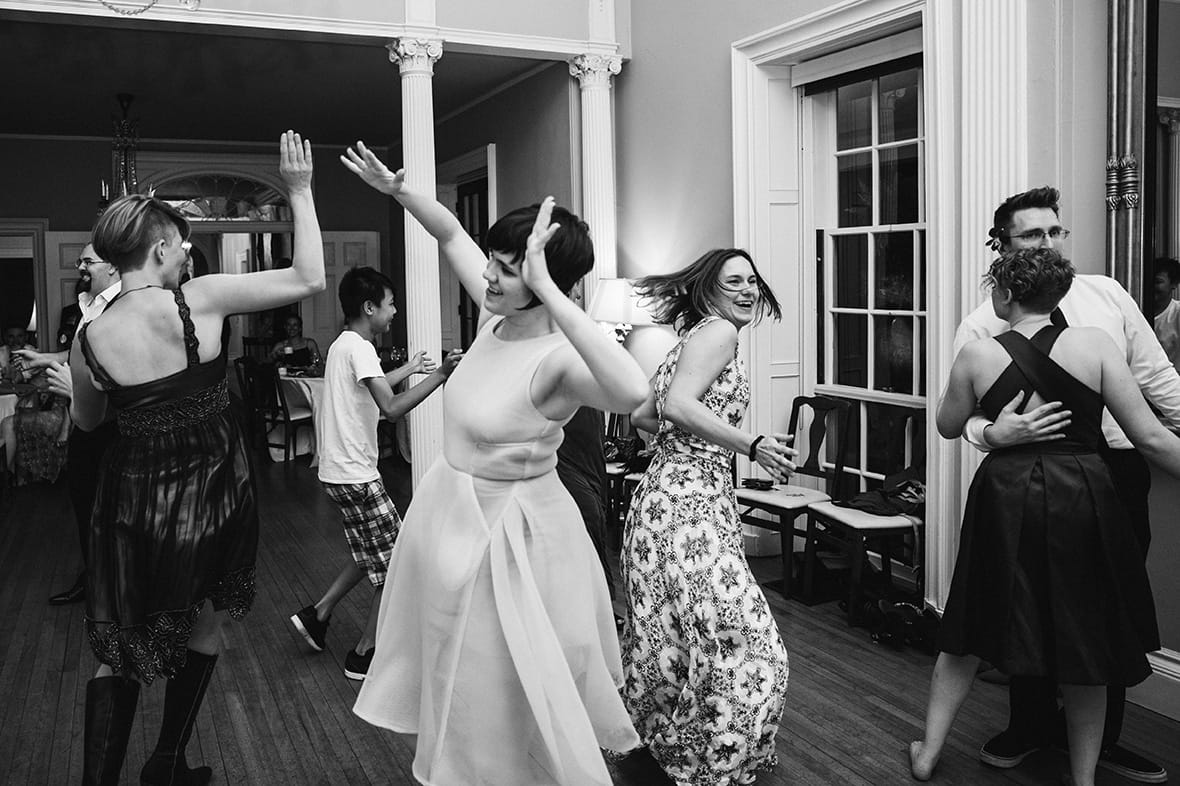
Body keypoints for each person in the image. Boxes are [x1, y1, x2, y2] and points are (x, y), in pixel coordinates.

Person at [342, 141, 648, 785]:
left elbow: (631, 391)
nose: (489, 276)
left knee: (500, 685)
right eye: (497, 262)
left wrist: (548, 290)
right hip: (450, 520)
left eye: (509, 269)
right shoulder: (492, 320)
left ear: (544, 284)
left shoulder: (559, 359)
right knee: (456, 675)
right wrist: (399, 191)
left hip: (516, 539)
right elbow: (449, 230)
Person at [67, 130, 324, 786]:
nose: (187, 253)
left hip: (129, 504)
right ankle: (165, 763)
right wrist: (298, 191)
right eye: (181, 243)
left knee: (121, 650)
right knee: (204, 628)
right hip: (209, 499)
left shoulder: (88, 339)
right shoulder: (197, 302)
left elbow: (88, 425)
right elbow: (309, 277)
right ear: (158, 248)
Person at [913, 247, 1173, 786]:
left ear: (1005, 294)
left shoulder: (977, 355)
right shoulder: (1095, 345)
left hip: (1005, 495)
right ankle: (1083, 779)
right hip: (1083, 492)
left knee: (971, 621)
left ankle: (928, 753)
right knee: (1087, 636)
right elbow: (1149, 437)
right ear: (1059, 294)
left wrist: (994, 428)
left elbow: (945, 425)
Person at [621, 248, 796, 785]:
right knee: (750, 642)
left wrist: (686, 452)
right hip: (687, 507)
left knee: (673, 636)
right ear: (708, 291)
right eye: (733, 281)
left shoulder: (692, 337)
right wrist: (751, 443)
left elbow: (642, 414)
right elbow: (673, 408)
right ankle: (710, 760)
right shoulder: (718, 333)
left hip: (667, 501)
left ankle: (677, 751)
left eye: (751, 281)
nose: (747, 290)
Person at [289, 266, 459, 681]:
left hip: (338, 474)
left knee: (369, 553)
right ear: (370, 308)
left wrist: (411, 369)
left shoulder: (344, 345)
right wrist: (439, 376)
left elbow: (376, 385)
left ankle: (318, 614)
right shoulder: (361, 347)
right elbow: (391, 407)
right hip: (357, 476)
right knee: (396, 562)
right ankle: (365, 653)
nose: (395, 312)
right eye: (390, 304)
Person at [15, 243, 122, 605]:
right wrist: (44, 358)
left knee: (110, 509)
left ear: (112, 265)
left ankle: (114, 587)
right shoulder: (86, 304)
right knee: (84, 502)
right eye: (79, 260)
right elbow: (80, 353)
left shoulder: (124, 307)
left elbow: (119, 370)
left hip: (113, 425)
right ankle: (93, 578)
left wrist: (74, 391)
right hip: (84, 423)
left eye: (87, 260)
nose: (80, 267)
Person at [1151, 257, 1180, 373]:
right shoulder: (1136, 311)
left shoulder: (1177, 313)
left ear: (1173, 284)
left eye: (1158, 282)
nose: (1152, 286)